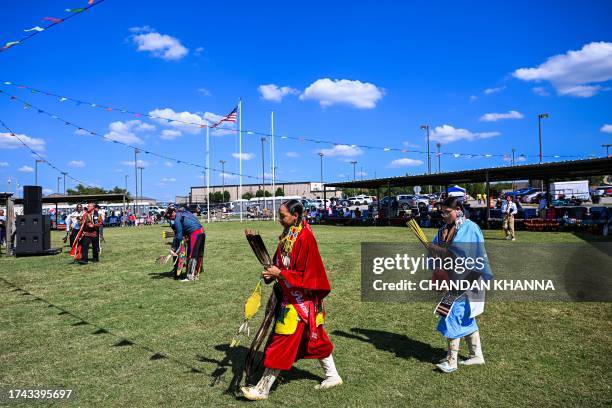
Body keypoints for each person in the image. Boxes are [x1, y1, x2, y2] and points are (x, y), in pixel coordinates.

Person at [241, 200, 342, 401]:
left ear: (295, 216)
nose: (280, 219)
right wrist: (273, 274)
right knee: (316, 339)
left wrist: (282, 274)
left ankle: (262, 389)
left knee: (281, 342)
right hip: (292, 297)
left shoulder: (306, 238)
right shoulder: (289, 235)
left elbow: (311, 277)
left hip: (302, 302)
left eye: (283, 216)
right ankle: (333, 376)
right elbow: (281, 263)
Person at [429, 196, 492, 373]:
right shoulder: (444, 229)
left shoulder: (469, 227)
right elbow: (435, 248)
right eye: (442, 212)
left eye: (447, 212)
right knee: (465, 315)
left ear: (458, 210)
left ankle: (451, 361)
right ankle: (476, 355)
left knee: (451, 314)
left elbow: (462, 252)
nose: (444, 215)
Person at [164, 206, 205, 281]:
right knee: (198, 254)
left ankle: (190, 276)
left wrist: (174, 248)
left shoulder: (177, 219)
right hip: (202, 232)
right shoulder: (184, 212)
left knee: (191, 255)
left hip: (194, 233)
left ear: (173, 212)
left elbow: (179, 236)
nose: (171, 219)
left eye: (170, 217)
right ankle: (197, 272)